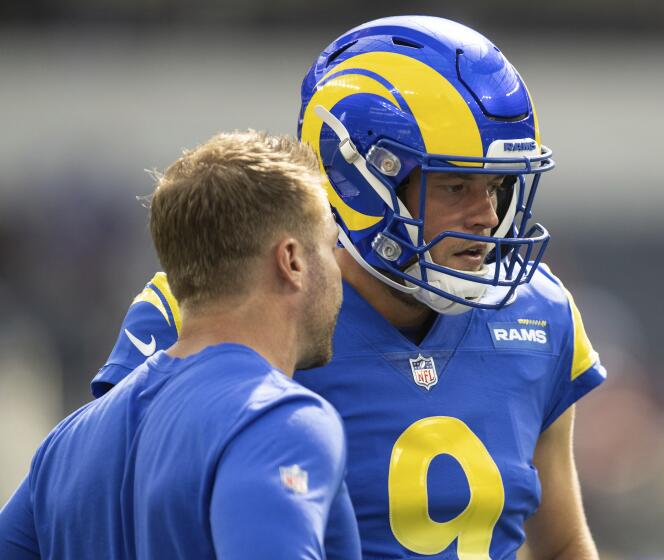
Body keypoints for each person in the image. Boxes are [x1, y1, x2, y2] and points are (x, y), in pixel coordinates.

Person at [85, 16, 607, 559]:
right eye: (455, 185)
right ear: (361, 182)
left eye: (496, 187)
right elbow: (99, 505)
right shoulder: (227, 305)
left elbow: (562, 543)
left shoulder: (540, 313)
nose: (487, 216)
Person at [0, 131, 360, 559]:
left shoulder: (63, 447)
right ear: (292, 261)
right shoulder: (278, 421)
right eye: (331, 243)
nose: (339, 268)